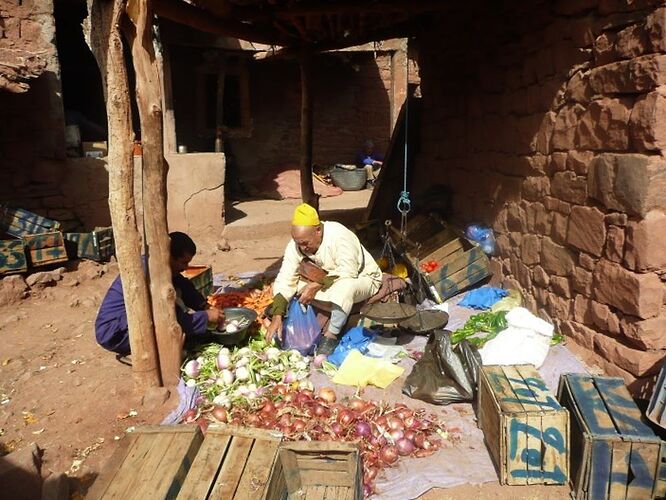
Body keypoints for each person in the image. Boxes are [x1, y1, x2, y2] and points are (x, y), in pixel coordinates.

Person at [265, 204, 382, 355]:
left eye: (305, 243)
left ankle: (331, 335)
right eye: (298, 243)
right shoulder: (297, 245)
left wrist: (317, 284)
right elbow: (285, 277)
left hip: (361, 278)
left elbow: (348, 271)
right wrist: (277, 314)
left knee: (344, 288)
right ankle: (288, 317)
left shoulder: (339, 235)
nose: (302, 248)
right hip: (326, 280)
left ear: (318, 230)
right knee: (290, 286)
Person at [95, 232, 222, 355]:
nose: (186, 267)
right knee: (172, 328)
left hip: (124, 324)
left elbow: (184, 285)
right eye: (183, 262)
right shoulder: (150, 272)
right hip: (115, 332)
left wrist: (203, 306)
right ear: (169, 256)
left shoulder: (162, 264)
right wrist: (206, 317)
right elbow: (170, 318)